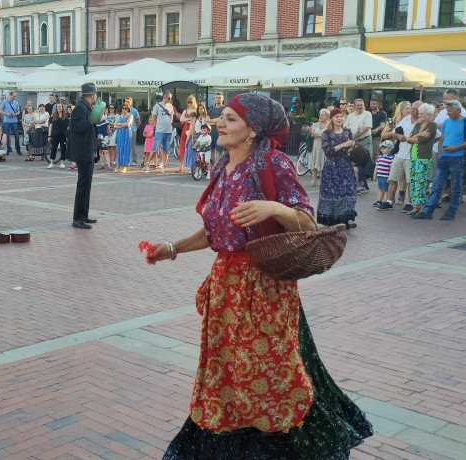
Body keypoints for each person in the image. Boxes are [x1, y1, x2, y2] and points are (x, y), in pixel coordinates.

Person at [150, 93, 372, 459]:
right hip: (226, 290)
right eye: (221, 118)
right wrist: (171, 248)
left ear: (252, 130)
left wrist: (273, 207)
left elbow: (308, 222)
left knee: (268, 373)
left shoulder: (273, 163)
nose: (220, 124)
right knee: (226, 376)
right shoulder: (223, 167)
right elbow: (216, 231)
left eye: (230, 119)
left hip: (264, 288)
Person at [412, 100, 466, 221]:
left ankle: (451, 211)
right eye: (447, 110)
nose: (447, 113)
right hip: (444, 157)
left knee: (456, 185)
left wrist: (455, 148)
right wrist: (440, 152)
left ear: (458, 110)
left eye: (450, 111)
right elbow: (442, 137)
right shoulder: (447, 121)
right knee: (437, 184)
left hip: (457, 157)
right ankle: (428, 211)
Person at [317, 109, 359, 228]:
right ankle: (334, 219)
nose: (340, 119)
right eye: (337, 117)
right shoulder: (326, 133)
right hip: (332, 167)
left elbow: (349, 149)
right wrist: (342, 145)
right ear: (332, 119)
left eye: (341, 116)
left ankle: (348, 219)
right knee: (333, 193)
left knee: (349, 191)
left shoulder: (347, 132)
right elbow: (328, 151)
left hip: (346, 165)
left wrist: (352, 146)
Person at [69, 83, 99, 229]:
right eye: (95, 94)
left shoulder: (86, 107)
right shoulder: (80, 108)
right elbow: (76, 127)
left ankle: (83, 215)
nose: (96, 97)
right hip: (82, 151)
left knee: (86, 185)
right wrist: (90, 122)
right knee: (83, 184)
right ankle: (78, 218)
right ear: (91, 95)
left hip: (87, 149)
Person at [381, 101, 417, 210]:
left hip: (411, 155)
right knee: (393, 179)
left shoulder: (420, 122)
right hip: (399, 153)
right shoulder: (400, 120)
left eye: (411, 108)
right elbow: (387, 134)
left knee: (409, 181)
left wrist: (407, 138)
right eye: (407, 108)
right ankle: (389, 201)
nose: (410, 110)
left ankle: (409, 203)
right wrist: (396, 135)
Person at [406, 103, 439, 215]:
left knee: (421, 183)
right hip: (414, 157)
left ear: (429, 115)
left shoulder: (432, 125)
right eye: (419, 113)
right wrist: (419, 135)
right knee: (414, 182)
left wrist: (415, 137)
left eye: (422, 113)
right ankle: (416, 206)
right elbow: (408, 139)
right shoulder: (417, 125)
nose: (419, 115)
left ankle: (422, 207)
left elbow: (422, 141)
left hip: (423, 158)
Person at [345, 99, 373, 190]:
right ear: (354, 106)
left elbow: (367, 127)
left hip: (364, 140)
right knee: (355, 161)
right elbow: (345, 127)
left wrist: (355, 134)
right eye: (358, 105)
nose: (360, 106)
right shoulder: (350, 116)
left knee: (365, 161)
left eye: (362, 105)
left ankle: (363, 182)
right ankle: (361, 183)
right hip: (354, 142)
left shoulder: (367, 114)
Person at [304, 108, 330, 187]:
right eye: (320, 114)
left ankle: (324, 180)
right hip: (315, 146)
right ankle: (314, 179)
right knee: (313, 163)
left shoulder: (330, 125)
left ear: (327, 117)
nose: (320, 116)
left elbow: (329, 136)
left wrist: (318, 135)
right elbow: (312, 134)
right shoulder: (315, 124)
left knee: (323, 163)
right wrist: (313, 134)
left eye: (322, 115)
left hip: (324, 146)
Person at [152, 92, 175, 173]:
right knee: (155, 148)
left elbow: (171, 118)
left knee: (166, 149)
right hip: (159, 130)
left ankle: (163, 166)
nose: (170, 100)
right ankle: (147, 163)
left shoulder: (170, 106)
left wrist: (169, 123)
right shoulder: (157, 106)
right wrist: (155, 127)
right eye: (169, 98)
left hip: (168, 131)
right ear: (164, 97)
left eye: (171, 98)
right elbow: (153, 117)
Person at [0, 91, 23, 156]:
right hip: (6, 121)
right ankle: (8, 149)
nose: (15, 97)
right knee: (6, 136)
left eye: (15, 96)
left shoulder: (16, 102)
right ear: (10, 95)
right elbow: (0, 111)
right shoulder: (4, 102)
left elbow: (18, 111)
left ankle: (18, 149)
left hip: (14, 120)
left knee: (17, 135)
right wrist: (7, 114)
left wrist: (16, 114)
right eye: (14, 96)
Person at [178, 95, 198, 173]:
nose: (190, 104)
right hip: (186, 129)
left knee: (193, 147)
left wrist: (188, 120)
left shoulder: (196, 110)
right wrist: (189, 119)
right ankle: (181, 165)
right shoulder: (185, 111)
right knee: (183, 146)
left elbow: (196, 119)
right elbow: (181, 119)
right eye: (188, 102)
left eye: (191, 102)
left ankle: (193, 167)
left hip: (193, 129)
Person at [374, 140, 396, 209]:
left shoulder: (391, 158)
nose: (382, 149)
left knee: (386, 190)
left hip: (385, 176)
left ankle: (385, 201)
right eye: (381, 148)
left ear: (390, 149)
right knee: (380, 189)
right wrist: (375, 174)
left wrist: (390, 177)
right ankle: (379, 200)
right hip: (380, 176)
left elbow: (392, 168)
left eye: (384, 148)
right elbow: (376, 166)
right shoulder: (380, 157)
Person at [47, 103, 70, 168]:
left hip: (63, 135)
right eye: (57, 107)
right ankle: (51, 162)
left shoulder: (66, 116)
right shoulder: (53, 115)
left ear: (62, 107)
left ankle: (62, 162)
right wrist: (49, 136)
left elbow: (68, 126)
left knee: (63, 148)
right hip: (55, 134)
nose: (59, 108)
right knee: (54, 148)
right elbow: (50, 126)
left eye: (60, 106)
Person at [115, 104, 134, 172]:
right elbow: (115, 126)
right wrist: (122, 125)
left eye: (125, 108)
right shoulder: (118, 116)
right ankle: (118, 164)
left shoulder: (130, 116)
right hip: (120, 134)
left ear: (128, 109)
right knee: (119, 149)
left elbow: (127, 124)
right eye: (123, 108)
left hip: (127, 134)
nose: (124, 110)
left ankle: (124, 165)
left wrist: (119, 124)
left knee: (126, 149)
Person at [96, 105, 112, 170]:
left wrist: (109, 136)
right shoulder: (96, 122)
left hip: (104, 137)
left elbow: (109, 130)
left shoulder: (106, 121)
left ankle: (108, 165)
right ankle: (102, 164)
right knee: (100, 151)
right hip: (99, 137)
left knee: (106, 151)